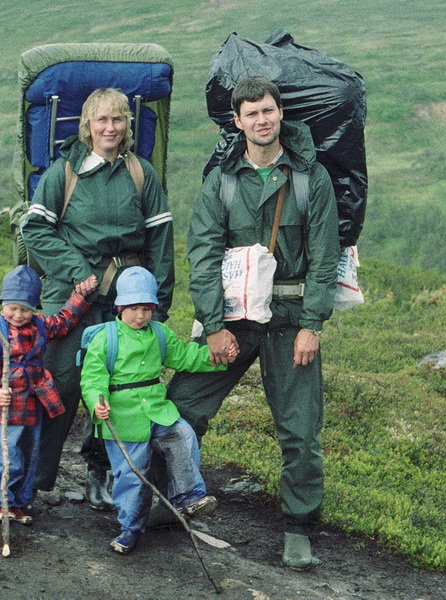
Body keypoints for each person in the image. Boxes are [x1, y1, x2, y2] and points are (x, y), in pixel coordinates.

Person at [166, 76, 339, 569]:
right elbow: (202, 253)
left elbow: (325, 258)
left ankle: (299, 527)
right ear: (237, 121)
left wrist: (313, 325)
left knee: (300, 430)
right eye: (251, 113)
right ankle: (170, 498)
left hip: (290, 321)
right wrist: (212, 324)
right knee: (182, 407)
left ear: (280, 114)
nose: (261, 120)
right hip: (234, 320)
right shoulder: (221, 180)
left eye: (268, 110)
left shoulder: (311, 178)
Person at [21, 88, 175, 510]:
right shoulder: (64, 172)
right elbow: (34, 230)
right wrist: (76, 270)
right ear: (87, 126)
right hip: (70, 298)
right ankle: (30, 481)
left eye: (119, 120)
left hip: (126, 298)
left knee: (117, 389)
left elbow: (161, 240)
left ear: (128, 126)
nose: (110, 128)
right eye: (101, 120)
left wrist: (158, 302)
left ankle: (101, 476)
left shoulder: (142, 174)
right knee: (57, 385)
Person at [80, 267, 224, 554]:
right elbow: (93, 376)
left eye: (146, 308)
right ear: (120, 307)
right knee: (132, 475)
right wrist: (98, 401)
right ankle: (129, 529)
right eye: (133, 308)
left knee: (183, 434)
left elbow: (183, 357)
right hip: (122, 417)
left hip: (157, 410)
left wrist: (214, 357)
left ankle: (189, 496)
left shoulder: (159, 333)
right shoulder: (106, 338)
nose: (140, 316)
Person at [0, 265, 95, 524]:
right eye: (13, 308)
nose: (18, 315)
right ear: (2, 305)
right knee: (1, 456)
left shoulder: (39, 325)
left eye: (25, 309)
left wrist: (79, 298)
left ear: (35, 309)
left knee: (26, 456)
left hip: (29, 405)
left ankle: (17, 502)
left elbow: (62, 322)